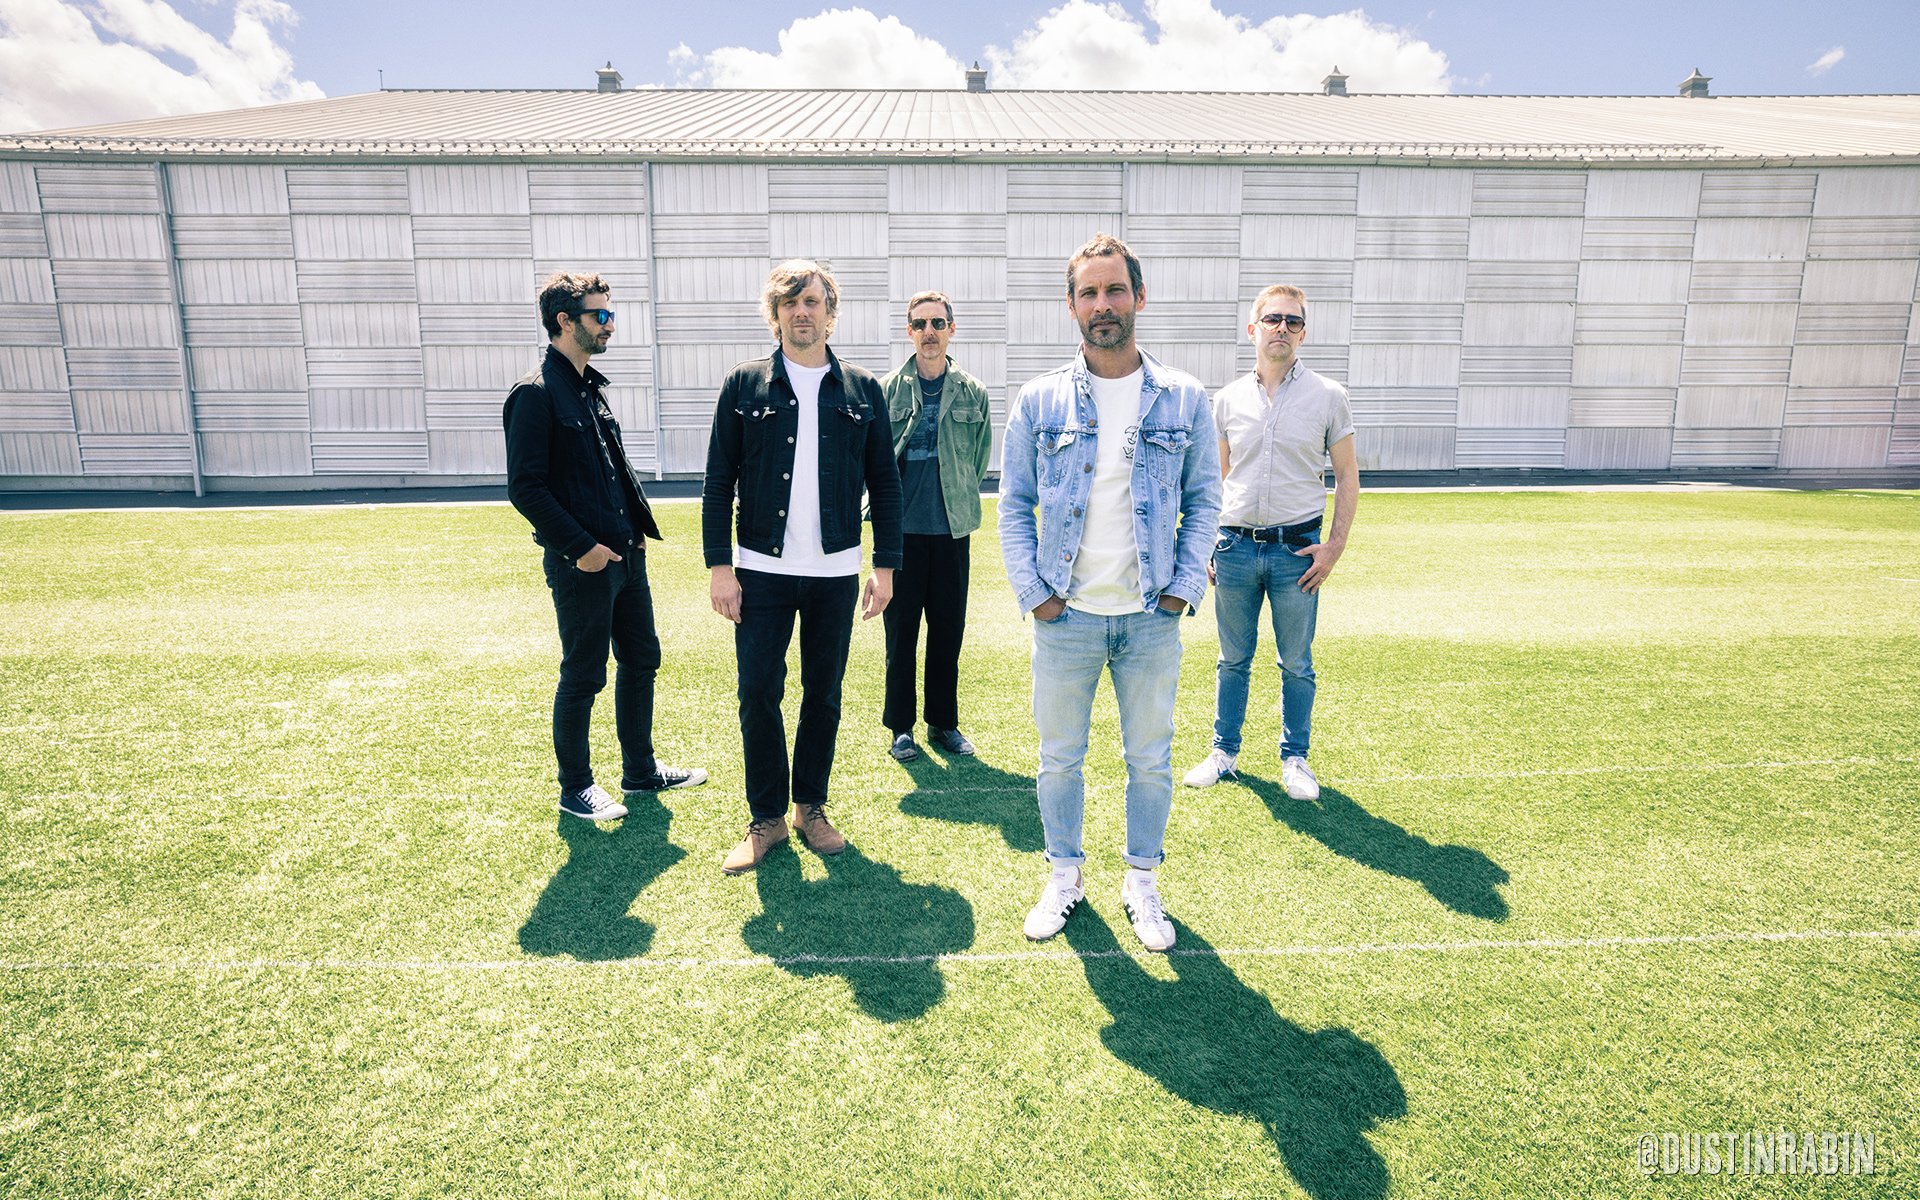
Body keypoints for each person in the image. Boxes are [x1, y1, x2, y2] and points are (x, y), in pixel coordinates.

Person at [998, 233, 1220, 952]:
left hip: (1150, 618)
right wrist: (1036, 594)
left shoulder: (1184, 397)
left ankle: (1142, 882)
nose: (1103, 304)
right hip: (1065, 617)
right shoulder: (1039, 399)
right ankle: (1064, 875)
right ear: (1071, 305)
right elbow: (1013, 504)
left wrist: (1181, 590)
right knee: (1059, 759)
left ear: (1139, 297)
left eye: (1115, 289)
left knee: (1150, 760)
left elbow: (1205, 500)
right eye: (1089, 292)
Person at [702, 259, 904, 874]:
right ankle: (765, 817)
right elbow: (719, 481)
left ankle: (809, 807)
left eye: (812, 301)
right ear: (776, 314)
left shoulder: (862, 390)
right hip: (760, 568)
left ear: (830, 313)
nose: (801, 312)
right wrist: (719, 567)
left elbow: (885, 483)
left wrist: (885, 566)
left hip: (834, 570)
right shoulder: (744, 385)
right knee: (758, 691)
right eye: (789, 302)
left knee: (824, 693)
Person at [504, 271, 706, 823]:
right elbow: (525, 487)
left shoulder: (590, 389)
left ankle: (640, 770)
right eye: (600, 315)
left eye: (610, 314)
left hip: (626, 555)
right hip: (584, 565)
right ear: (564, 321)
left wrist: (632, 536)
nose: (610, 325)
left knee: (642, 659)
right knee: (584, 674)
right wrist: (581, 548)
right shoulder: (534, 395)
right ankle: (576, 788)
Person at [1183, 284, 1358, 802]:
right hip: (1235, 548)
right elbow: (1215, 479)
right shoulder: (1227, 399)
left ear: (1303, 332)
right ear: (1252, 329)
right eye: (1273, 319)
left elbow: (1347, 477)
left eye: (1293, 321)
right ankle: (1224, 752)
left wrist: (1334, 546)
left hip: (1296, 552)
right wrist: (1208, 542)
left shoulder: (1329, 396)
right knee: (1232, 659)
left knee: (1296, 662)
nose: (1283, 328)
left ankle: (1295, 759)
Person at [879, 290, 994, 763]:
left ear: (951, 330)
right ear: (909, 332)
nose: (929, 332)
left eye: (938, 323)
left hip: (952, 532)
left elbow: (979, 459)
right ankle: (901, 728)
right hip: (901, 536)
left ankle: (943, 722)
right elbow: (875, 461)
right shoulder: (887, 390)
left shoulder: (973, 391)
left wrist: (956, 496)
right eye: (920, 324)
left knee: (948, 632)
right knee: (901, 635)